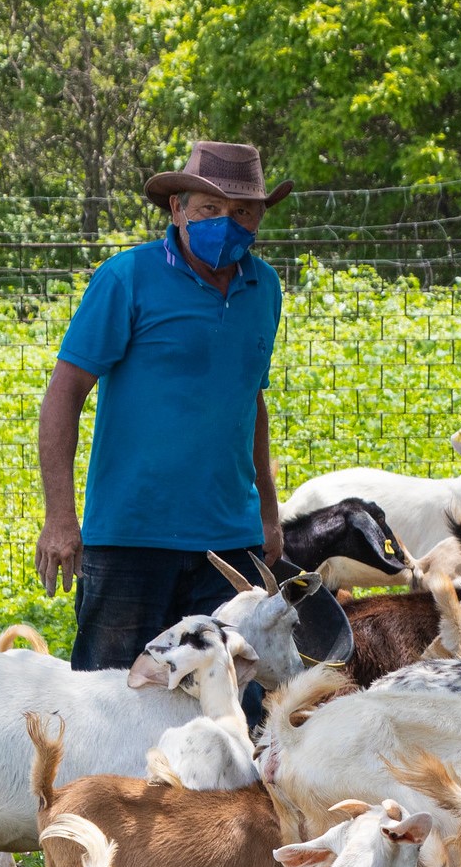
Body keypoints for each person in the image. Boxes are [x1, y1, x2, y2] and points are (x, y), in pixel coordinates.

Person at [34, 141, 295, 672]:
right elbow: (65, 392)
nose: (227, 223)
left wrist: (268, 511)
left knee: (218, 711)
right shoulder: (127, 278)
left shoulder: (263, 287)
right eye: (209, 210)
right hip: (131, 538)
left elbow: (250, 400)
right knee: (108, 702)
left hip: (229, 546)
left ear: (260, 217)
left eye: (242, 211)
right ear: (177, 210)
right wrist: (60, 517)